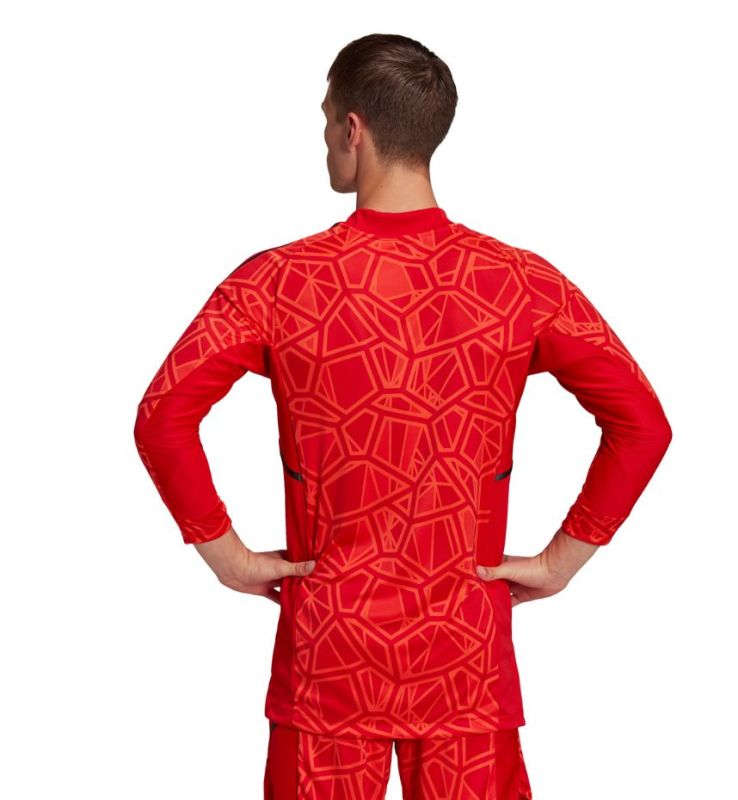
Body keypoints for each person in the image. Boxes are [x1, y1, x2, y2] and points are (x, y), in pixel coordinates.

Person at [133, 32, 672, 800]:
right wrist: (561, 562)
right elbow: (643, 424)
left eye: (326, 121)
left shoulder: (278, 282)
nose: (324, 139)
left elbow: (163, 415)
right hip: (464, 657)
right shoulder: (519, 282)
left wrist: (226, 554)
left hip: (329, 652)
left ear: (353, 129)